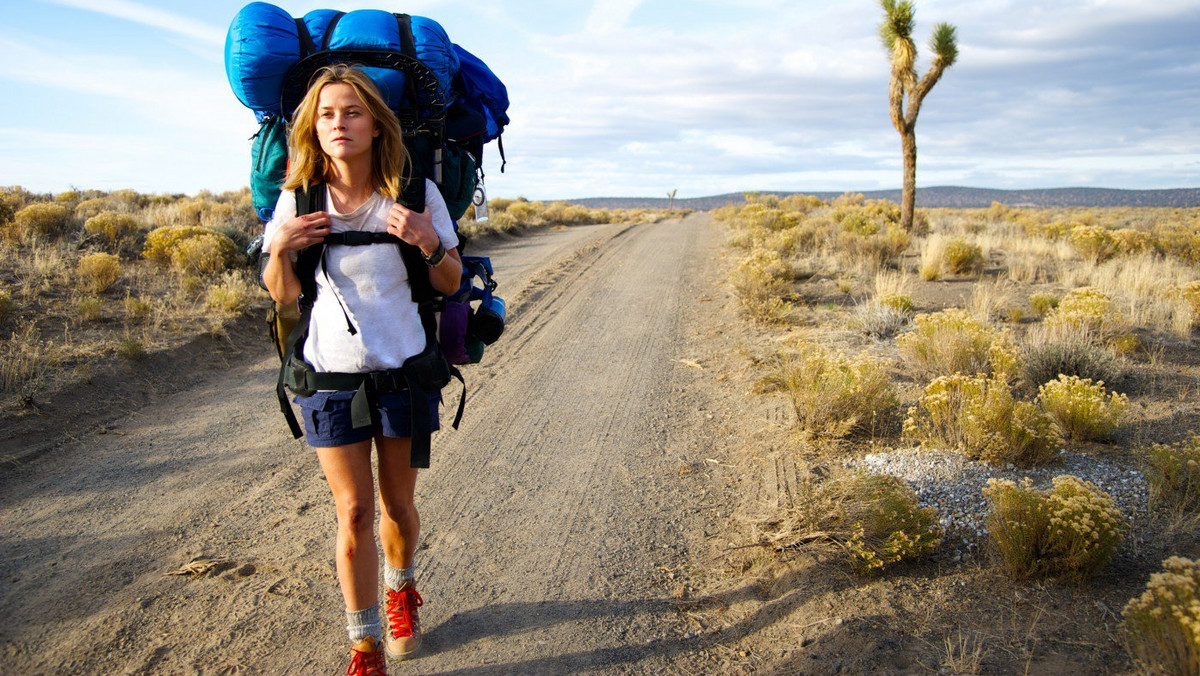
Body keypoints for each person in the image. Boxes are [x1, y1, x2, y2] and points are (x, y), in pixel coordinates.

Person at [261, 64, 462, 674]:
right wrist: (281, 247)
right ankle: (365, 645)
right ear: (311, 129)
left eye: (351, 112)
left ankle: (402, 595)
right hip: (330, 378)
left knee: (398, 506)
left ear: (376, 124)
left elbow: (450, 282)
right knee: (353, 513)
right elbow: (283, 298)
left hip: (403, 372)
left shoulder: (416, 194)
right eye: (325, 114)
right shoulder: (297, 199)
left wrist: (428, 241)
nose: (338, 123)